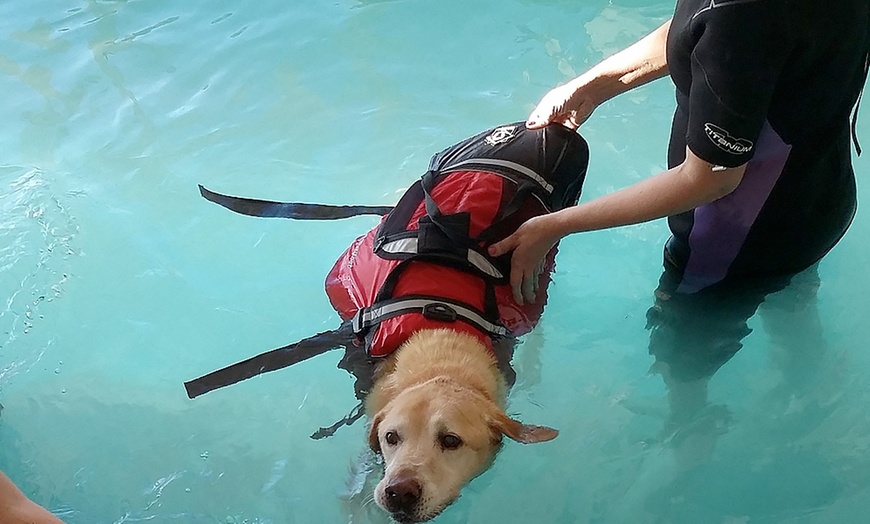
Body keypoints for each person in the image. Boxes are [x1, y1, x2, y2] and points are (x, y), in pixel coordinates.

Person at [488, 0, 869, 429]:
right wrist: (594, 86)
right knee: (793, 296)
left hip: (735, 241)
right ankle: (813, 391)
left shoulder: (741, 18)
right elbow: (702, 29)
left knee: (680, 345)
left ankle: (689, 427)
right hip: (819, 199)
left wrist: (557, 224)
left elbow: (711, 179)